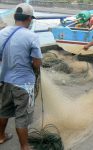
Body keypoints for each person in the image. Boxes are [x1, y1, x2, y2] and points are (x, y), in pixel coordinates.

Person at [0, 3, 42, 150]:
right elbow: (37, 63)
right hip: (23, 84)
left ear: (15, 16)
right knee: (22, 116)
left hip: (5, 80)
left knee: (4, 110)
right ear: (29, 19)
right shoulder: (32, 36)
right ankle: (24, 146)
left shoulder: (2, 32)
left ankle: (1, 136)